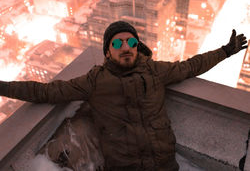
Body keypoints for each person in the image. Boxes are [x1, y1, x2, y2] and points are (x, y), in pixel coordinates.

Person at [0, 21, 248, 171]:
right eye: (117, 44)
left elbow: (192, 66)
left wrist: (226, 51)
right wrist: (2, 87)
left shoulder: (156, 71)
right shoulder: (94, 81)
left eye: (130, 42)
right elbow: (45, 92)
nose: (125, 47)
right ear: (107, 52)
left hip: (165, 167)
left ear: (137, 46)